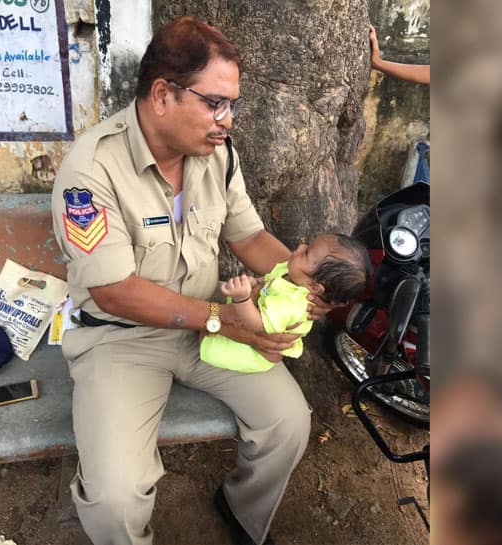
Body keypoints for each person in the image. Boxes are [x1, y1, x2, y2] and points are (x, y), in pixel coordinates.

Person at [50, 16, 333, 545]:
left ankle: (242, 512)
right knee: (115, 497)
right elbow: (114, 290)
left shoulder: (217, 156)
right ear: (163, 94)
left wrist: (298, 279)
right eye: (215, 103)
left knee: (288, 423)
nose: (227, 120)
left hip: (209, 331)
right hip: (121, 338)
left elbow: (248, 237)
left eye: (233, 105)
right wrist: (221, 319)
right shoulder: (91, 171)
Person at [202, 234, 368, 373]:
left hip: (258, 352)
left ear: (314, 287)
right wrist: (256, 282)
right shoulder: (290, 272)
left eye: (306, 253)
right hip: (249, 313)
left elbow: (258, 326)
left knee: (209, 349)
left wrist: (242, 299)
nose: (301, 246)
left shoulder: (291, 303)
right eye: (307, 246)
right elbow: (270, 279)